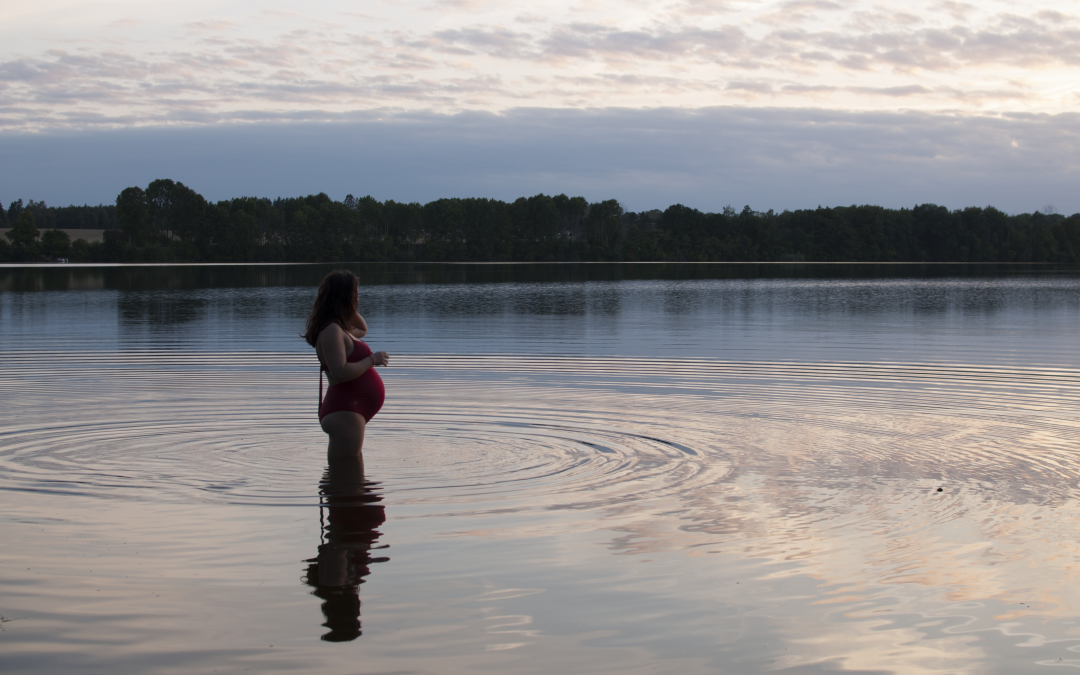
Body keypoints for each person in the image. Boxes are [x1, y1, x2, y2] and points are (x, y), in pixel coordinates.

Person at [303, 270, 390, 457]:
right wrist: (371, 360)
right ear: (344, 297)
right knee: (345, 474)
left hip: (350, 411)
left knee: (349, 478)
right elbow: (339, 372)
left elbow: (362, 329)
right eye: (355, 295)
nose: (358, 299)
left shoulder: (340, 328)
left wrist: (348, 307)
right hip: (345, 411)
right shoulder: (332, 331)